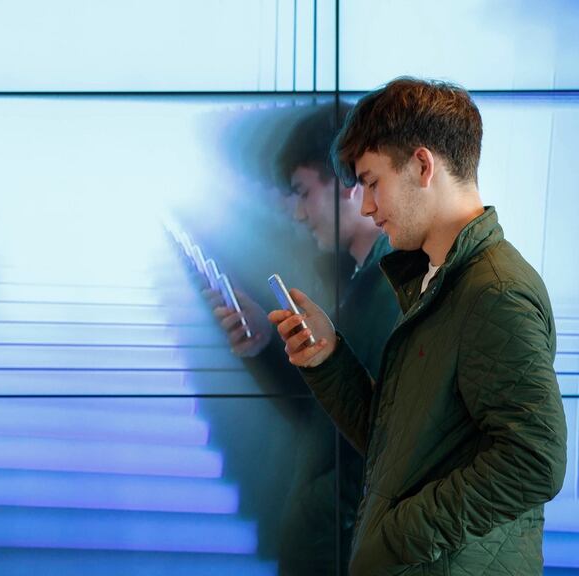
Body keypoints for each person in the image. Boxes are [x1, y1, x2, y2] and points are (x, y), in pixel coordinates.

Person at [269, 78, 567, 575]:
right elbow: (396, 444)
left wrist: (399, 537)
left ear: (423, 166)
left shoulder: (492, 290)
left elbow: (535, 460)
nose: (364, 205)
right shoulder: (435, 280)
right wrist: (328, 358)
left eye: (372, 182)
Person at [215, 103, 401, 575]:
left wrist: (317, 519)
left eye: (302, 192)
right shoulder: (358, 284)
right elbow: (328, 418)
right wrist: (268, 347)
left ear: (345, 182)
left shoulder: (389, 294)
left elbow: (376, 449)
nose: (297, 213)